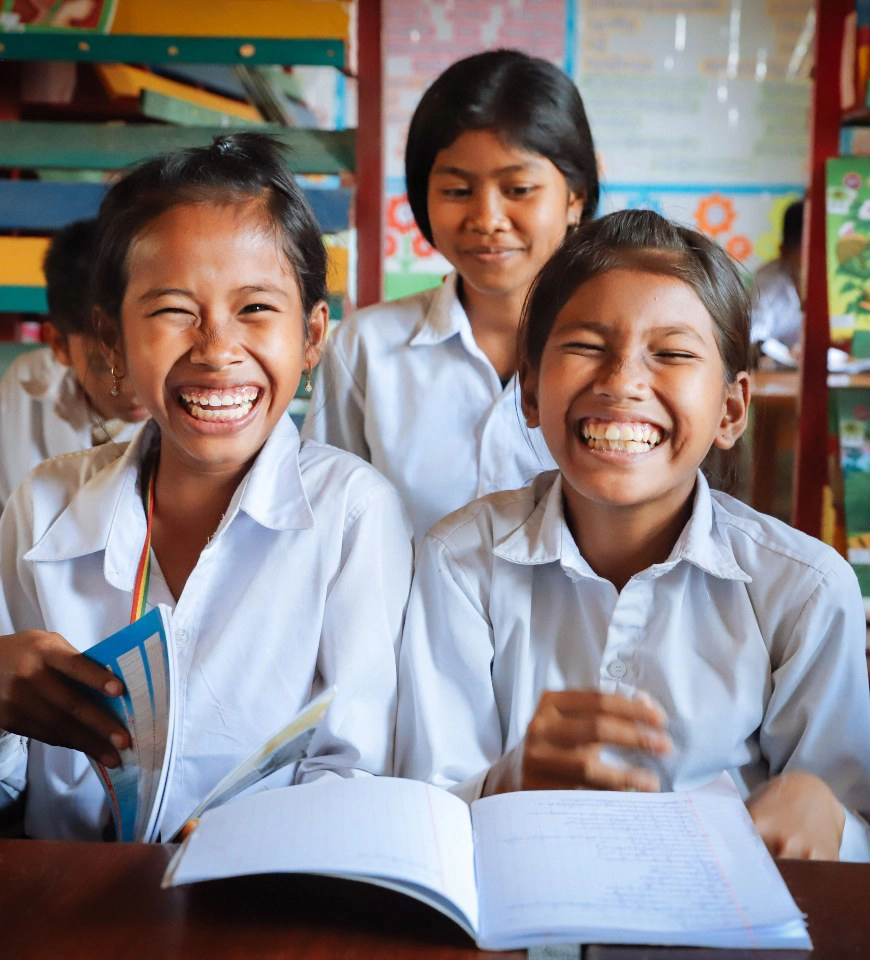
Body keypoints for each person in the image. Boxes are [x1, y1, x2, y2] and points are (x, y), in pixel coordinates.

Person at [396, 209, 870, 861]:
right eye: (587, 346)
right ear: (530, 389)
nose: (621, 383)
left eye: (672, 354)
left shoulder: (804, 591)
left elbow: (842, 826)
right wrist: (505, 783)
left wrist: (830, 821)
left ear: (730, 410)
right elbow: (420, 809)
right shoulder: (459, 563)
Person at [0, 133, 413, 841]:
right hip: (66, 912)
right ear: (112, 342)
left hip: (260, 911)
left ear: (313, 336)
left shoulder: (352, 514)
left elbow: (355, 763)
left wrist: (262, 840)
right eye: (171, 310)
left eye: (255, 309)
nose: (217, 348)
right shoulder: (43, 507)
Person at [303, 49, 599, 540]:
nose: (487, 219)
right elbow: (327, 526)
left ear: (575, 197)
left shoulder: (620, 355)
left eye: (519, 189)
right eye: (458, 191)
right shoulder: (366, 348)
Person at [0, 218, 150, 512]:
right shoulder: (25, 384)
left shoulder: (190, 409)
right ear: (58, 345)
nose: (134, 389)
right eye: (104, 367)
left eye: (144, 361)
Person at [749, 199, 804, 363]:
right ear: (784, 252)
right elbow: (755, 337)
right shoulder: (766, 284)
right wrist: (786, 352)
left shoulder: (839, 285)